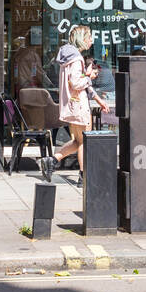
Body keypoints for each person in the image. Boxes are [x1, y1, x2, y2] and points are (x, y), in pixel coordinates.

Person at [40, 25, 96, 183]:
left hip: (71, 104)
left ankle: (52, 161)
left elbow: (71, 80)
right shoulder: (77, 59)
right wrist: (89, 77)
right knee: (85, 140)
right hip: (79, 105)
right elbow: (76, 83)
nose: (91, 40)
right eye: (89, 37)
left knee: (78, 140)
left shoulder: (67, 58)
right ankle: (83, 177)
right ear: (82, 39)